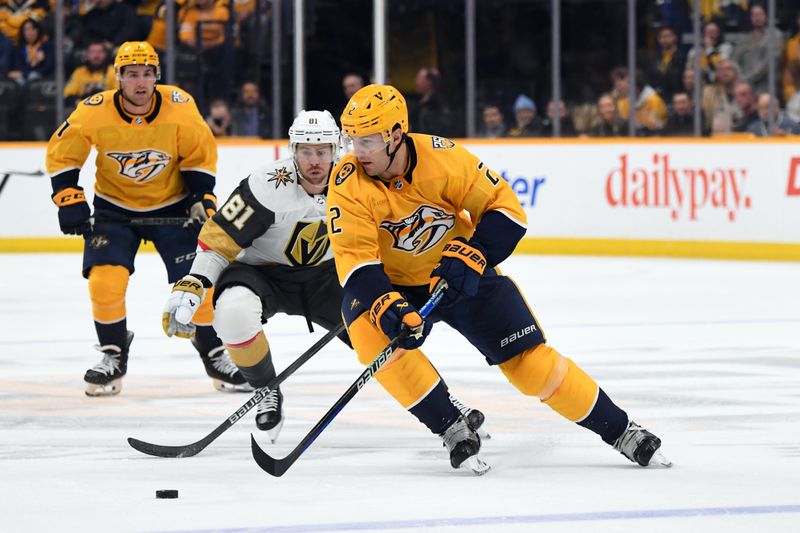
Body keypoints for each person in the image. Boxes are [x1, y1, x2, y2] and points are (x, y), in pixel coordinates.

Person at [328, 84, 670, 473]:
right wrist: (386, 304)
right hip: (395, 281)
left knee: (531, 368)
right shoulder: (347, 180)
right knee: (369, 332)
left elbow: (507, 211)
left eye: (368, 140)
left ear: (395, 135)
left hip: (457, 275)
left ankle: (622, 430)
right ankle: (451, 426)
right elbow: (355, 260)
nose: (358, 150)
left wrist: (476, 252)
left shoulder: (444, 158)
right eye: (351, 139)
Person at [162, 109, 487, 440]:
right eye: (305, 150)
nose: (314, 160)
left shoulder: (359, 182)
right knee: (232, 313)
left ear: (336, 150)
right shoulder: (266, 185)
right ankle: (266, 391)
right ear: (292, 150)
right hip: (262, 274)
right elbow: (218, 241)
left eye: (322, 151)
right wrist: (193, 285)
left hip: (330, 277)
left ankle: (445, 405)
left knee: (385, 329)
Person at [45, 41, 247, 397]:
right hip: (113, 209)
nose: (140, 82)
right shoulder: (94, 110)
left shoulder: (179, 107)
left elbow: (199, 154)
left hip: (173, 207)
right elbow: (63, 151)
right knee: (105, 281)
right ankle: (113, 355)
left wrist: (203, 198)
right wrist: (68, 197)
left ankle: (214, 353)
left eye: (147, 74)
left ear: (157, 76)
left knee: (198, 284)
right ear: (118, 77)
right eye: (132, 74)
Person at [63, 40, 117, 107]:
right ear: (87, 55)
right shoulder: (79, 72)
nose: (96, 55)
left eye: (100, 52)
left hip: (107, 108)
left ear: (105, 54)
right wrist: (82, 104)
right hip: (84, 109)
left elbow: (119, 95)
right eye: (93, 52)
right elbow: (68, 95)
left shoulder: (113, 71)